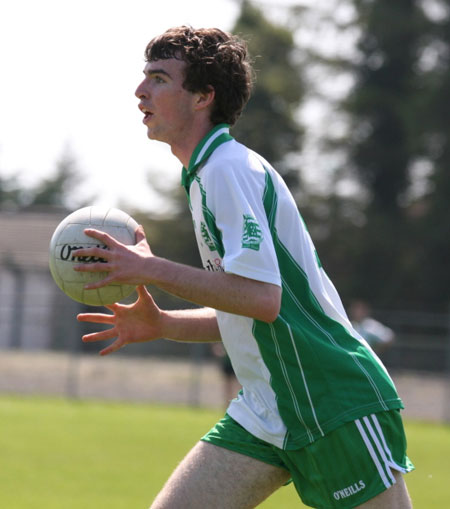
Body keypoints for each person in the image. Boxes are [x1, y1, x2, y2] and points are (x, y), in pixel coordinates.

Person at [74, 26, 414, 508]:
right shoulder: (204, 175)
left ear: (203, 97)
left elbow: (263, 299)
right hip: (266, 408)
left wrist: (149, 269)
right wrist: (164, 324)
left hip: (331, 401)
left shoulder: (227, 169)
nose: (140, 90)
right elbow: (248, 313)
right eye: (145, 76)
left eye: (159, 78)